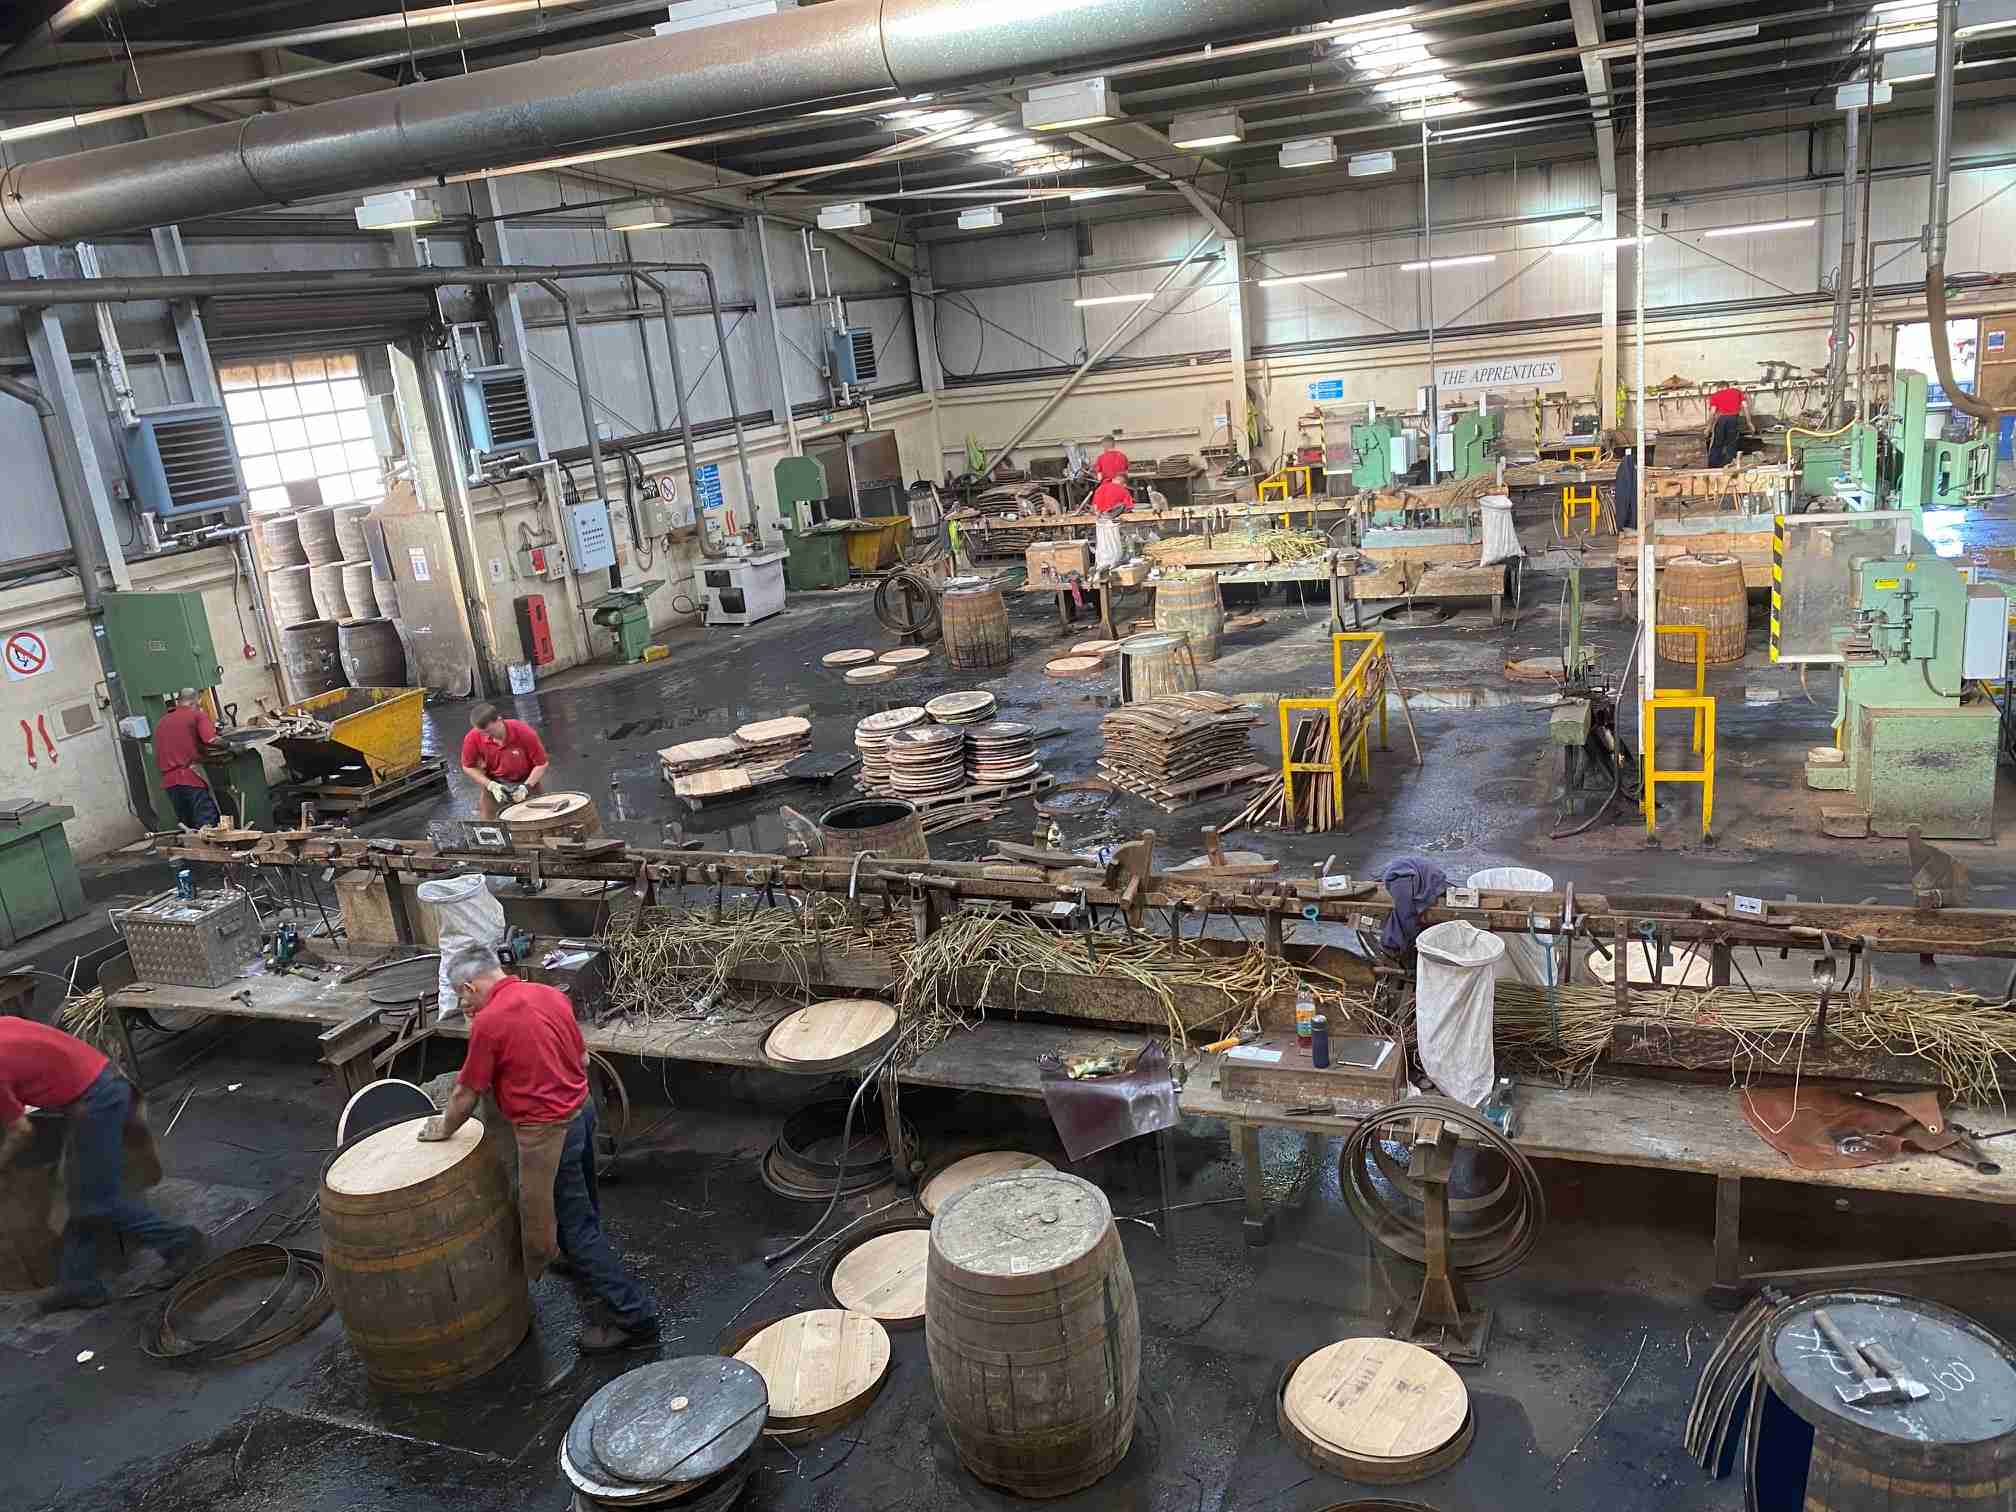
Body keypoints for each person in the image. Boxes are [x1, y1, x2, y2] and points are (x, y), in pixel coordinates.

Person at [419, 949, 658, 1354]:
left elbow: (466, 1092)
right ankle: (577, 1255)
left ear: (470, 986)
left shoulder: (490, 1022)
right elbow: (581, 1058)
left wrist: (443, 1127)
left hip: (547, 1132)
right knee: (584, 1206)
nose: (466, 1007)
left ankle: (637, 1319)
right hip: (581, 1111)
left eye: (464, 999)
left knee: (573, 1225)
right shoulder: (549, 995)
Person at [0, 1016, 203, 1312]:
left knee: (97, 1201)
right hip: (95, 1079)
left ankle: (180, 1241)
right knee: (82, 1197)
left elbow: (21, 1131)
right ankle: (78, 1285)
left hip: (97, 1099)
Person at [153, 688, 231, 831]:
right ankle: (212, 851)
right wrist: (230, 745)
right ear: (196, 700)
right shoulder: (197, 715)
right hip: (190, 778)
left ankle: (193, 852)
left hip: (170, 783)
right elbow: (211, 739)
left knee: (188, 826)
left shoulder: (161, 722)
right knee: (206, 823)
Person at [460, 703, 549, 819]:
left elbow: (542, 764)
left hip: (527, 780)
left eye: (489, 731)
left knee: (540, 819)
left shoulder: (523, 732)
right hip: (494, 782)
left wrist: (526, 787)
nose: (487, 735)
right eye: (483, 733)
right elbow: (468, 766)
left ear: (499, 720)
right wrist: (491, 785)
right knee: (490, 826)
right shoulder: (473, 737)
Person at [1706, 383, 1748, 468]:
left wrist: (1708, 427)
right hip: (1734, 419)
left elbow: (1712, 412)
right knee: (1731, 444)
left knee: (1717, 444)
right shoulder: (1737, 392)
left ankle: (1713, 467)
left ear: (1719, 387)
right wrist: (1749, 423)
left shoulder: (1715, 395)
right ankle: (1729, 466)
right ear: (1728, 387)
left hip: (1721, 420)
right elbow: (1745, 407)